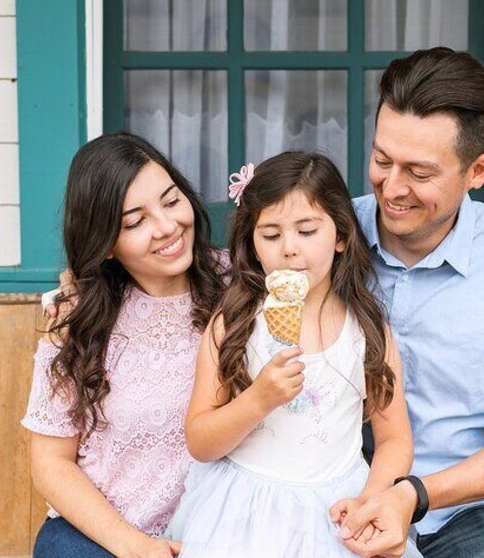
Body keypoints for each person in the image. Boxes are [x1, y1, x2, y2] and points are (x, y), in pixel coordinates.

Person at [331, 48, 484, 557]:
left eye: (419, 173)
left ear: (478, 170)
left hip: (475, 509)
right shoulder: (327, 238)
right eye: (381, 160)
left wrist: (413, 495)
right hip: (336, 492)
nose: (391, 188)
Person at [164, 152, 419, 557]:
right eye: (270, 235)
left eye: (307, 230)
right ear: (252, 242)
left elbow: (394, 439)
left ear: (339, 237)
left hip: (337, 510)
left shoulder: (368, 331)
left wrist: (372, 499)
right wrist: (257, 400)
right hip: (243, 512)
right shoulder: (235, 324)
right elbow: (200, 441)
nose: (289, 249)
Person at [23, 133, 227, 557]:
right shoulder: (76, 319)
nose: (167, 228)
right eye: (135, 222)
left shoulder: (241, 286)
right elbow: (50, 463)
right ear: (106, 244)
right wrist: (133, 546)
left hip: (219, 527)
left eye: (171, 202)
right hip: (103, 536)